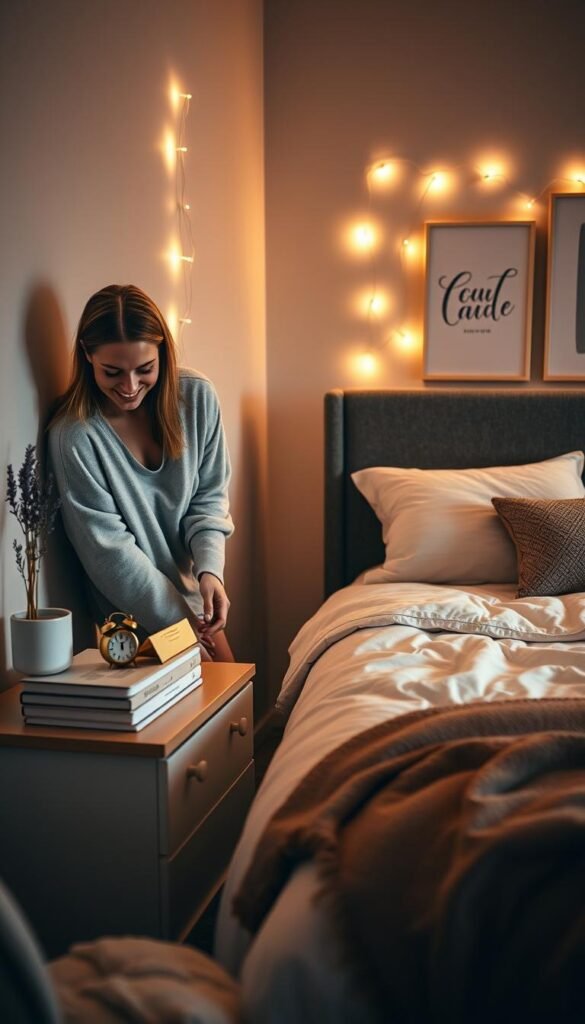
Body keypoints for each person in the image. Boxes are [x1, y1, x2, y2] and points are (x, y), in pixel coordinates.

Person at [48, 283, 234, 661]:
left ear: (162, 353)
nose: (130, 387)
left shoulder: (196, 398)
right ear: (87, 355)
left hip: (194, 608)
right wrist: (182, 628)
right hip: (126, 627)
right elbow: (110, 554)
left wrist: (211, 571)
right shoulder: (74, 435)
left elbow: (209, 498)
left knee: (233, 706)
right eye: (112, 372)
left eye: (145, 369)